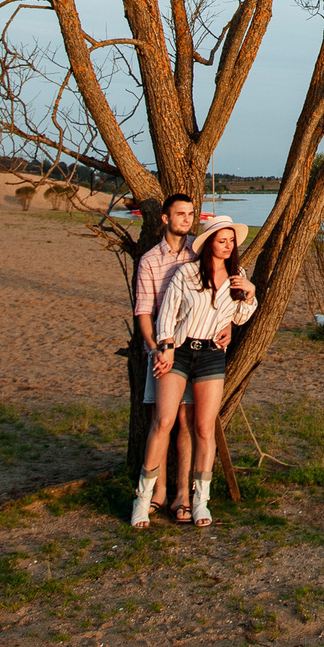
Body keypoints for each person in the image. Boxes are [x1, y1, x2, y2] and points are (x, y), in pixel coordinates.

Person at [131, 219, 257, 526]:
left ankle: (201, 500)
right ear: (209, 243)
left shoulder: (237, 276)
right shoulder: (186, 273)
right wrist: (167, 344)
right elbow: (168, 313)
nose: (227, 246)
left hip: (212, 355)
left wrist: (250, 295)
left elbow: (238, 318)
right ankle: (143, 498)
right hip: (181, 350)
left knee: (203, 428)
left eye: (231, 241)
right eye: (221, 240)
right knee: (163, 422)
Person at [129, 192, 210, 512]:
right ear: (165, 218)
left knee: (187, 421)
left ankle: (182, 494)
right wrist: (156, 351)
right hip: (162, 351)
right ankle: (157, 492)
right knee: (160, 422)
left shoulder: (198, 252)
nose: (187, 219)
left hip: (195, 347)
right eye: (180, 214)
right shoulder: (150, 260)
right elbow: (144, 311)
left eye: (191, 214)